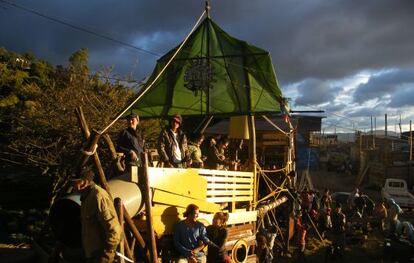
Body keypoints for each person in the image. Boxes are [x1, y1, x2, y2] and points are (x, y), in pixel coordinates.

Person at [72, 169, 122, 263]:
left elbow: (114, 230)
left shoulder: (98, 196)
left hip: (100, 255)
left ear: (85, 182)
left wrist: (106, 255)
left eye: (74, 182)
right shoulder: (85, 197)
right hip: (91, 254)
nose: (72, 186)